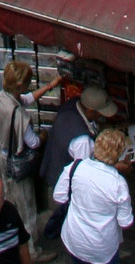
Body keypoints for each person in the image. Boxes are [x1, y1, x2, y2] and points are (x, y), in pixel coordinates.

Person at [0, 58, 61, 257]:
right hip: (17, 163)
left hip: (2, 155)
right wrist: (44, 136)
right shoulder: (20, 118)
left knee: (11, 199)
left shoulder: (2, 98)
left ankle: (9, 236)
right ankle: (32, 252)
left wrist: (49, 86)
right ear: (19, 86)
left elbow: (26, 99)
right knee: (27, 210)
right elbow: (34, 143)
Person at [40, 84, 118, 244]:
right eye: (100, 114)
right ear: (90, 111)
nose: (102, 117)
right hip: (66, 184)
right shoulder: (82, 141)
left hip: (53, 168)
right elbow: (84, 174)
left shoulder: (72, 104)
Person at [52, 127, 133, 264]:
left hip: (75, 240)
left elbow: (59, 196)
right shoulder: (118, 184)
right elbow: (125, 222)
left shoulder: (74, 167)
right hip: (102, 248)